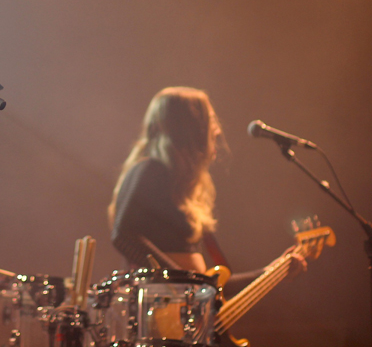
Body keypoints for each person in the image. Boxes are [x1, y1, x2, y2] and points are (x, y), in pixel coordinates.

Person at [108, 87, 304, 291]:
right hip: (156, 311)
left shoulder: (180, 188)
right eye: (208, 118)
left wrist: (267, 274)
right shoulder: (150, 170)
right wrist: (181, 282)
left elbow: (206, 289)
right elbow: (123, 236)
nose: (216, 128)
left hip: (180, 312)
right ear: (191, 129)